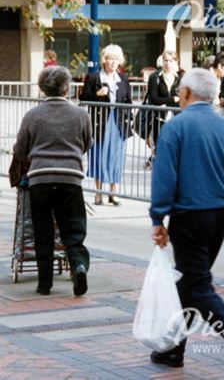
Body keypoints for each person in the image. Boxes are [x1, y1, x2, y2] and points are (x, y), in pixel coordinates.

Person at [148, 68, 224, 378]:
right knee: (191, 282)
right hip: (220, 213)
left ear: (185, 94)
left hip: (189, 215)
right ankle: (174, 348)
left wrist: (158, 217)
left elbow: (164, 177)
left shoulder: (176, 127)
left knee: (197, 284)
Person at [12, 66, 93, 296]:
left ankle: (44, 283)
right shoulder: (81, 114)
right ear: (66, 87)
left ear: (42, 88)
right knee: (74, 229)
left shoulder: (32, 115)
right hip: (70, 179)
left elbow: (20, 150)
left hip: (40, 179)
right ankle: (78, 267)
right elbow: (87, 143)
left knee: (43, 231)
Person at [79, 44, 132, 206]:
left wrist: (129, 118)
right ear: (104, 60)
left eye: (116, 59)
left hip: (118, 121)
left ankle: (114, 193)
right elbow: (83, 97)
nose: (113, 62)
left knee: (116, 157)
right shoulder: (94, 77)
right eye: (110, 58)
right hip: (100, 122)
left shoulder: (123, 79)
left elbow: (128, 101)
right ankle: (98, 193)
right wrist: (97, 94)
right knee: (99, 156)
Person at [143, 49, 181, 152]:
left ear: (176, 62)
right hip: (159, 118)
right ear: (162, 61)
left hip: (176, 119)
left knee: (175, 148)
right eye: (166, 60)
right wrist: (172, 99)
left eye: (171, 61)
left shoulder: (180, 79)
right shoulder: (155, 77)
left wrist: (168, 101)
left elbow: (183, 99)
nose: (168, 63)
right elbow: (154, 99)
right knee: (159, 148)